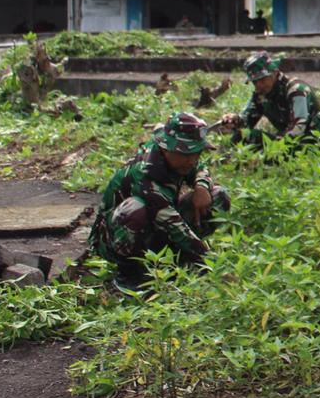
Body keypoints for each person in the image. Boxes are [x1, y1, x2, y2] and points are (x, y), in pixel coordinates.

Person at [87, 112, 230, 289]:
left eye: (197, 152)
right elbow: (174, 225)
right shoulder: (146, 174)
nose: (192, 160)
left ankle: (180, 259)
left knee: (218, 196)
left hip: (157, 224)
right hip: (115, 238)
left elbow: (200, 168)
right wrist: (211, 262)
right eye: (186, 154)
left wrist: (201, 186)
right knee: (135, 210)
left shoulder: (178, 158)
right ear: (165, 148)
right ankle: (130, 274)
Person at [220, 51, 320, 154]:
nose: (258, 86)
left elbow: (299, 125)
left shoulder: (296, 90)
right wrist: (234, 120)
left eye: (262, 80)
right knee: (244, 134)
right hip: (284, 144)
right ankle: (225, 159)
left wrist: (277, 147)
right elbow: (247, 121)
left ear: (275, 73)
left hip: (309, 141)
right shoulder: (260, 95)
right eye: (255, 82)